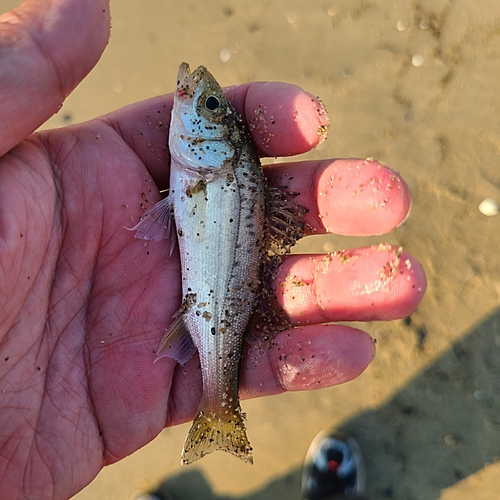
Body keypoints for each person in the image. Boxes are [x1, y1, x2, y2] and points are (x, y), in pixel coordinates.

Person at [0, 1, 426, 499]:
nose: (195, 95)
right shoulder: (202, 169)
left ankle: (217, 406)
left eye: (210, 108)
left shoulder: (210, 171)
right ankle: (219, 406)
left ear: (222, 146)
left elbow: (166, 217)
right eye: (211, 106)